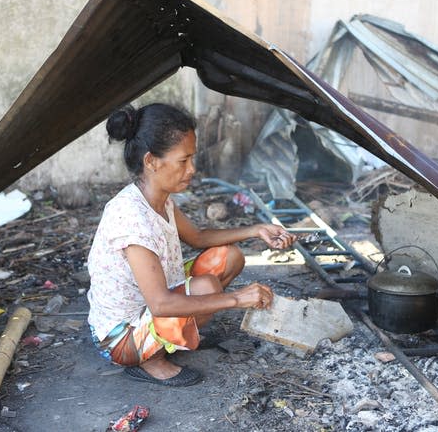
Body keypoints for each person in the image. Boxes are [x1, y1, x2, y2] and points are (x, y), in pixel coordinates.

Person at [86, 103, 296, 387]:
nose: (192, 169)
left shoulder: (159, 198)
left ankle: (180, 334)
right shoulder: (131, 219)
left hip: (151, 308)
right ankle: (150, 361)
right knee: (207, 287)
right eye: (183, 161)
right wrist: (237, 299)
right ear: (151, 161)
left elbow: (197, 237)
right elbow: (160, 304)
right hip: (121, 338)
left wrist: (256, 230)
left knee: (230, 257)